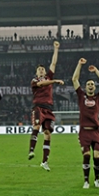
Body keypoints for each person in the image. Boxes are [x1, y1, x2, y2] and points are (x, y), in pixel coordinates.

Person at [72, 58, 99, 189]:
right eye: (88, 84)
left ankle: (97, 179)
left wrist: (96, 71)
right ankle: (86, 181)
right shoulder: (81, 96)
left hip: (95, 131)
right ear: (85, 87)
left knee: (97, 156)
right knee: (87, 156)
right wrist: (79, 64)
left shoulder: (98, 97)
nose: (90, 85)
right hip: (84, 131)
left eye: (92, 84)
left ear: (94, 86)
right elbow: (74, 79)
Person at [28, 41, 65, 171]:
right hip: (38, 107)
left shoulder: (48, 76)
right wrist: (54, 81)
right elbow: (42, 85)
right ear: (37, 73)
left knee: (48, 133)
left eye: (43, 69)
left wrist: (56, 49)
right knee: (37, 126)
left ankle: (44, 162)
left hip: (49, 108)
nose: (42, 70)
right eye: (39, 69)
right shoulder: (35, 81)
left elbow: (53, 63)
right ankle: (31, 150)